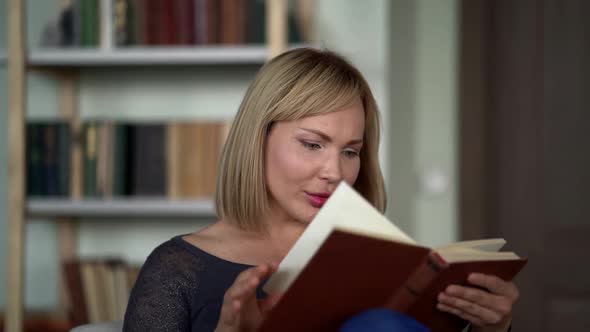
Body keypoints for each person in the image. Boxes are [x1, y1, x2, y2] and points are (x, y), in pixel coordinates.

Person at [123, 48, 519, 332]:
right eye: (312, 144)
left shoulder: (377, 259)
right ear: (257, 139)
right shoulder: (176, 268)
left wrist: (493, 327)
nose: (334, 172)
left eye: (350, 151)